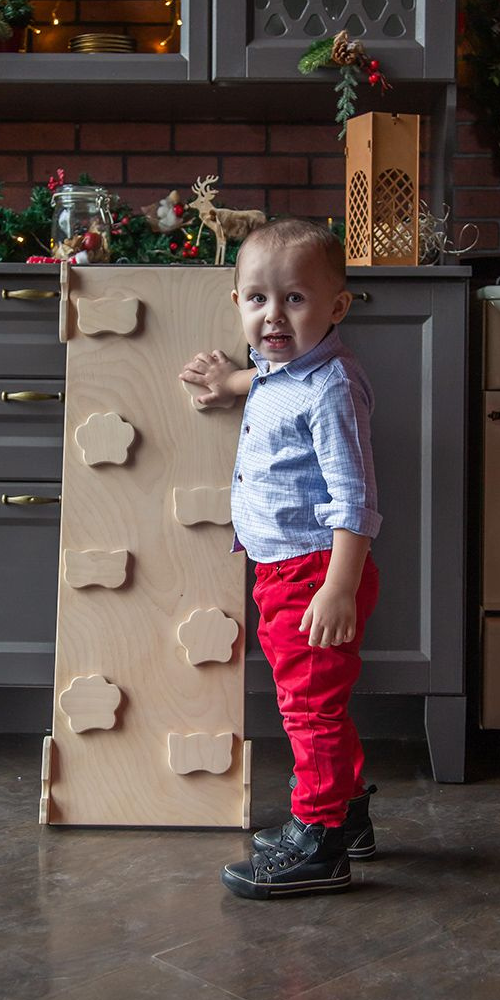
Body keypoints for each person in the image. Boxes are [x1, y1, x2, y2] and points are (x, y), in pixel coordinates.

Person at [180, 217, 381, 900]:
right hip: (283, 570)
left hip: (316, 571)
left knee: (308, 709)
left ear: (336, 307)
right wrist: (230, 381)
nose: (273, 315)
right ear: (237, 303)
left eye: (294, 299)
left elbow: (355, 498)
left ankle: (318, 842)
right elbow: (269, 385)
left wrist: (337, 588)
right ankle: (348, 815)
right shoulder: (283, 370)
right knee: (318, 702)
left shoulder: (332, 388)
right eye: (258, 299)